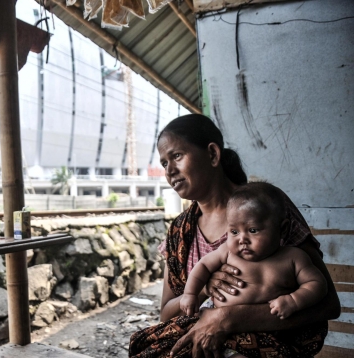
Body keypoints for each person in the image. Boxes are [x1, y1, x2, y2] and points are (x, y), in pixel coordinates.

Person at [128, 114, 341, 358]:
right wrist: (205, 289)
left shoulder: (265, 207)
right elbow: (166, 314)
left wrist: (227, 318)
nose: (170, 171)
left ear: (212, 154)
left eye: (177, 156)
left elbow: (328, 304)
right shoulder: (179, 232)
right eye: (164, 163)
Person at [181, 182, 328, 358]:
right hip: (212, 317)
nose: (242, 239)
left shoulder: (293, 258)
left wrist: (293, 300)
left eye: (252, 230)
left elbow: (317, 284)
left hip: (259, 330)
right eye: (234, 231)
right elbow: (202, 266)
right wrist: (190, 293)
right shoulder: (226, 252)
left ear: (282, 229)